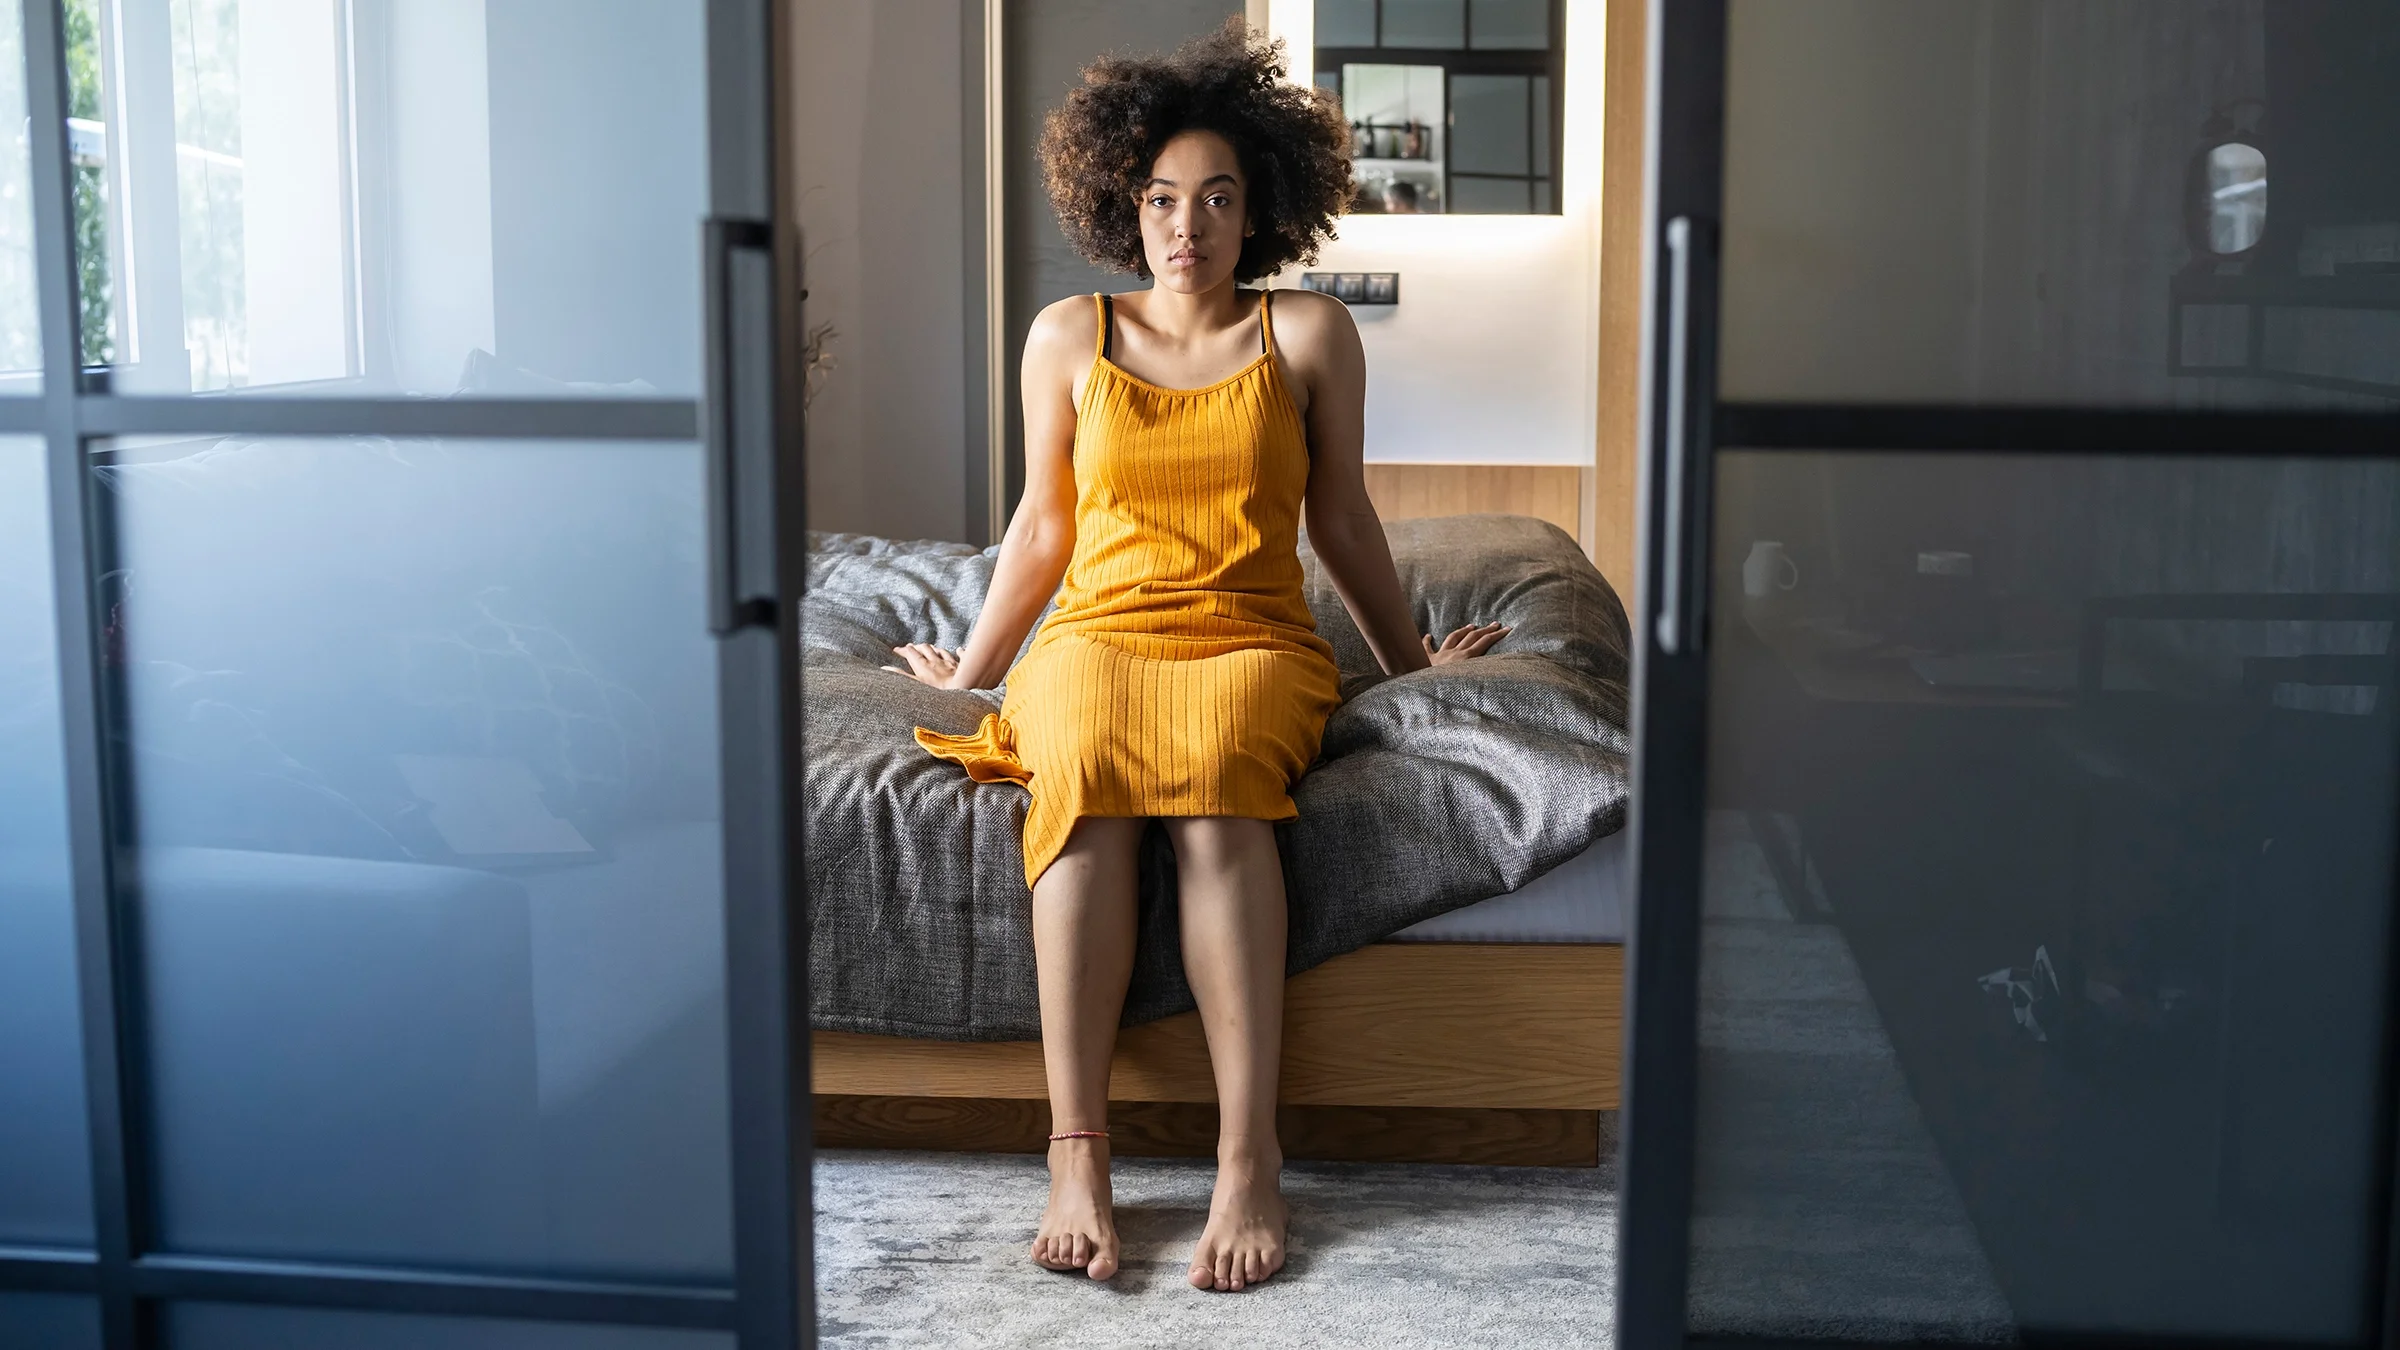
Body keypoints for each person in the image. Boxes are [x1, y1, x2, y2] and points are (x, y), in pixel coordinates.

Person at [884, 21, 1507, 1293]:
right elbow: (1043, 527)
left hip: (1252, 638)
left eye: (1218, 198)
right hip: (1097, 635)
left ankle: (1245, 1159)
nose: (1188, 226)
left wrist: (1407, 667)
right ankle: (1078, 1152)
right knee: (1089, 782)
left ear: (1258, 207)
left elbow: (1341, 523)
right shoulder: (1067, 335)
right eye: (1162, 199)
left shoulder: (1312, 334)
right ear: (1123, 203)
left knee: (1222, 778)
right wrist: (980, 675)